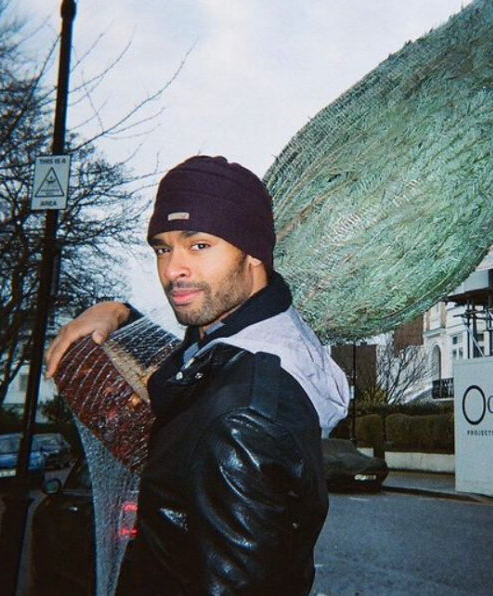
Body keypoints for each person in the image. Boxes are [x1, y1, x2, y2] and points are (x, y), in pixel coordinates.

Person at [45, 155, 350, 595]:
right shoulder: (251, 335)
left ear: (253, 254)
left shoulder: (240, 422)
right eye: (163, 248)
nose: (172, 270)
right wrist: (118, 315)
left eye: (199, 245)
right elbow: (188, 368)